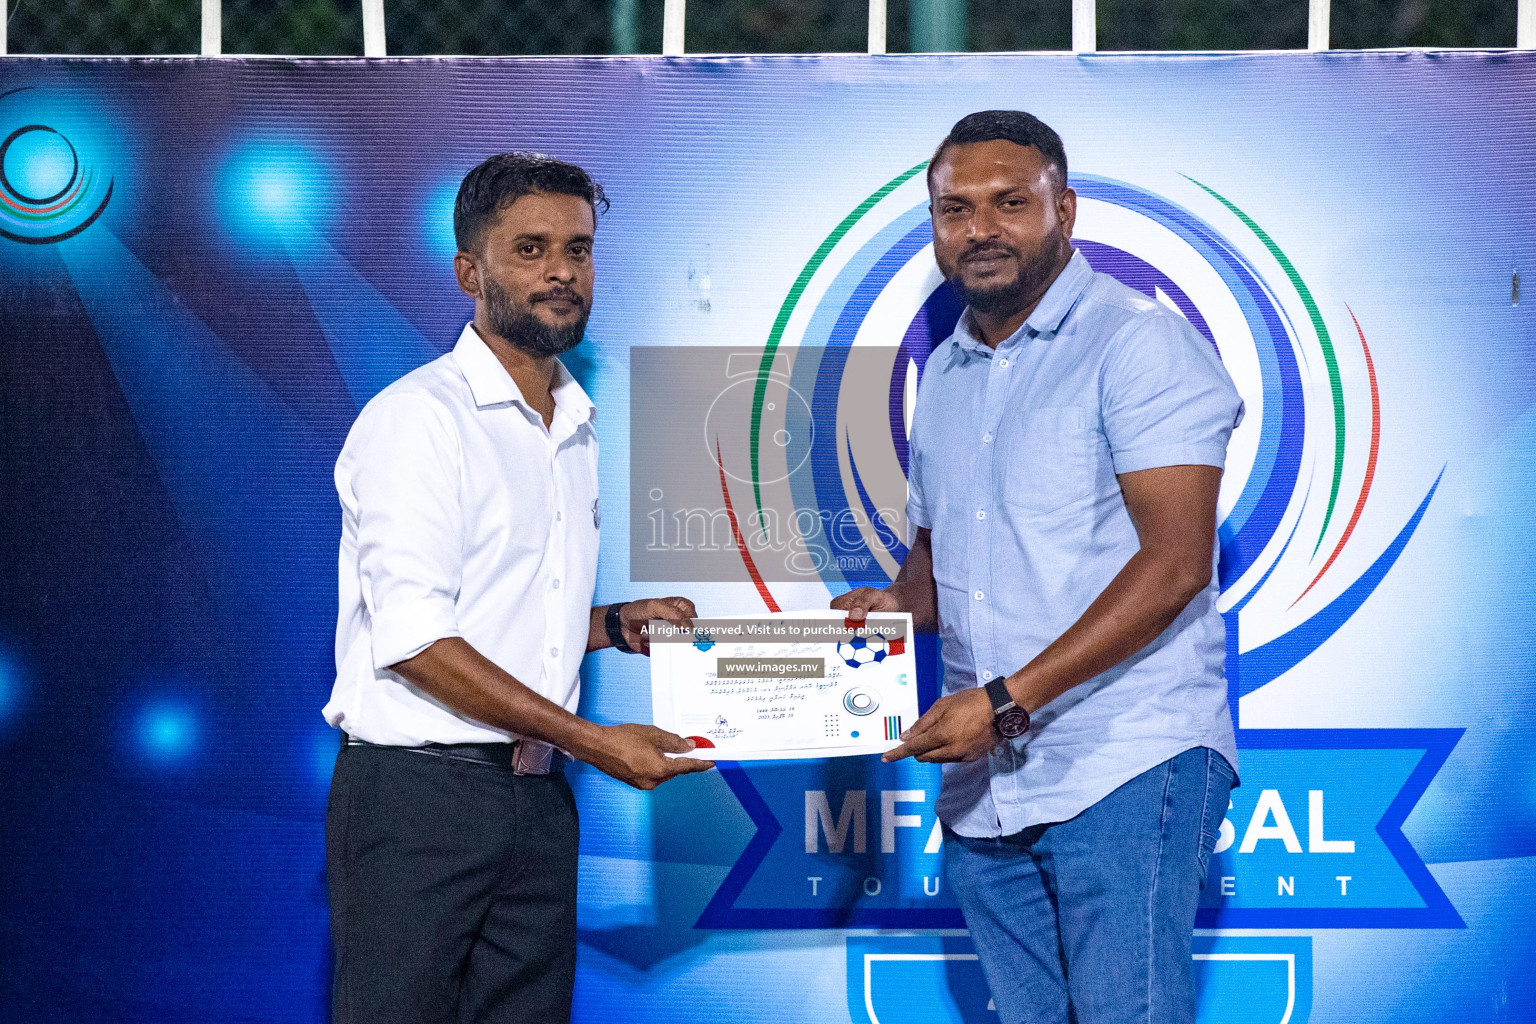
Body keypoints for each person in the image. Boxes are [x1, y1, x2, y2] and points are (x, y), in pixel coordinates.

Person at [833, 111, 1243, 1024]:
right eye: (954, 210)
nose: (979, 230)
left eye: (1010, 204)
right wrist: (890, 610)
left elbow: (1176, 565)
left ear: (1067, 210)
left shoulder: (1138, 342)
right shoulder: (944, 371)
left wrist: (1008, 700)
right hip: (988, 783)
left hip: (1125, 754)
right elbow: (942, 567)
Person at [323, 152, 713, 1024]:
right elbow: (419, 643)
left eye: (577, 249)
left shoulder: (571, 424)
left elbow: (507, 618)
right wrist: (593, 740)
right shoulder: (418, 422)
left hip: (536, 804)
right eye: (530, 249)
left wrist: (612, 625)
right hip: (418, 804)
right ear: (471, 272)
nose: (561, 272)